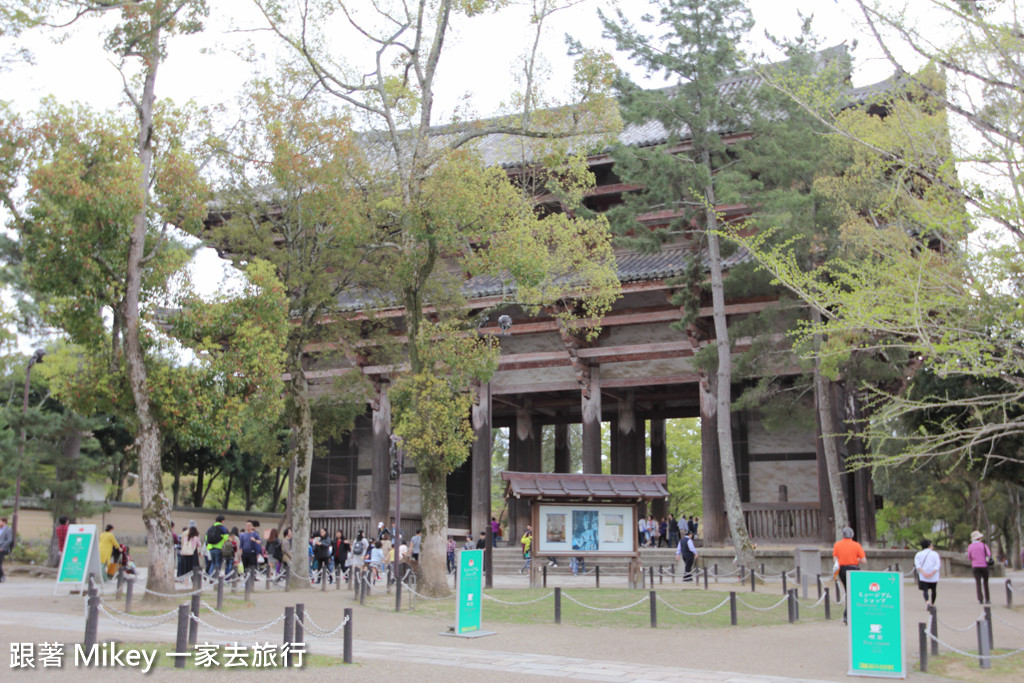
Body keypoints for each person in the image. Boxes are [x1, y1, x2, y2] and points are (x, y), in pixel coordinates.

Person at [833, 526, 866, 624]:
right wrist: (856, 560)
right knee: (853, 592)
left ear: (842, 535)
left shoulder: (837, 545)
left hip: (842, 569)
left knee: (848, 591)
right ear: (852, 535)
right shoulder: (856, 545)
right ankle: (849, 615)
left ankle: (848, 615)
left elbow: (835, 559)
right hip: (854, 569)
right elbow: (864, 560)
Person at [967, 529, 993, 604]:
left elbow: (969, 557)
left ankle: (980, 599)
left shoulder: (970, 546)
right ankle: (987, 599)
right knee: (985, 582)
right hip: (984, 565)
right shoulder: (984, 545)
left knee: (978, 583)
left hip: (975, 566)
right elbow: (989, 554)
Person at [914, 539, 940, 607]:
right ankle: (932, 604)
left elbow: (918, 565)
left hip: (923, 575)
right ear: (929, 546)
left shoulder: (919, 554)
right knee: (933, 590)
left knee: (925, 590)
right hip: (933, 575)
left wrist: (923, 572)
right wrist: (932, 573)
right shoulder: (935, 554)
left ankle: (927, 602)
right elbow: (938, 565)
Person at [0, 517, 13, 583]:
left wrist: (3, 547)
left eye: (0, 522)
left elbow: (9, 540)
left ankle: (2, 576)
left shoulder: (8, 529)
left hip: (2, 549)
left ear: (4, 522)